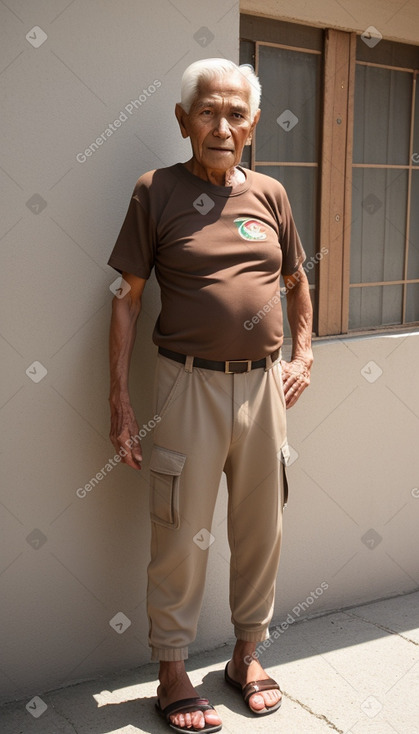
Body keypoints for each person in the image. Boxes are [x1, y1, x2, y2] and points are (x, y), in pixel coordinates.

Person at [108, 57, 313, 733]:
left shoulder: (272, 196)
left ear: (251, 127)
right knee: (177, 533)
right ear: (182, 120)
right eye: (206, 111)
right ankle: (170, 670)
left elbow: (295, 281)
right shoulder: (155, 192)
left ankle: (245, 656)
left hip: (261, 391)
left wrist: (303, 354)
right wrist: (122, 403)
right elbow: (126, 300)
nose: (220, 125)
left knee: (261, 530)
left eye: (234, 114)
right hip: (185, 387)